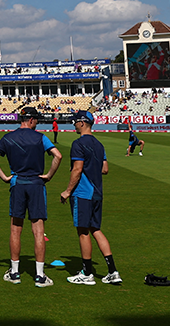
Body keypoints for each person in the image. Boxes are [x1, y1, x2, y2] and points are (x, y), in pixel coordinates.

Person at [0, 106, 62, 288]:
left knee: (15, 230)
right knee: (38, 231)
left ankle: (14, 273)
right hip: (36, 185)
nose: (37, 122)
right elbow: (58, 156)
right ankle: (40, 276)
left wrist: (5, 177)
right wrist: (49, 175)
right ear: (30, 120)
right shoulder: (40, 138)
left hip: (18, 184)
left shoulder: (8, 137)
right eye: (36, 120)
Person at [60, 111, 123, 285]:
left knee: (83, 231)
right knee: (96, 229)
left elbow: (77, 169)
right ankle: (112, 271)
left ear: (82, 123)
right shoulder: (99, 144)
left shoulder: (78, 143)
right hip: (97, 192)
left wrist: (67, 191)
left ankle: (87, 273)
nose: (74, 125)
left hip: (83, 193)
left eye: (75, 122)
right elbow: (105, 169)